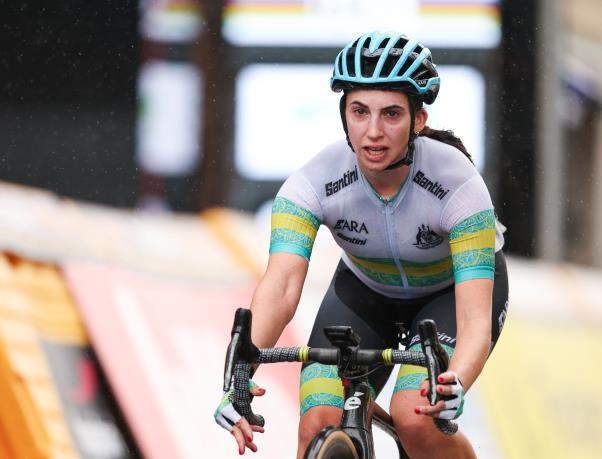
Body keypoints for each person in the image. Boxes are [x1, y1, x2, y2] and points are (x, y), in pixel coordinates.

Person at [214, 30, 509, 459]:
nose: (373, 132)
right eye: (359, 111)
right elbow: (280, 287)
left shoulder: (458, 184)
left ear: (418, 121)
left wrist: (456, 380)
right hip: (366, 293)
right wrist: (239, 375)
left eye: (391, 114)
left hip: (447, 297)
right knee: (317, 421)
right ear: (343, 115)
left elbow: (474, 320)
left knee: (415, 416)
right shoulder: (313, 183)